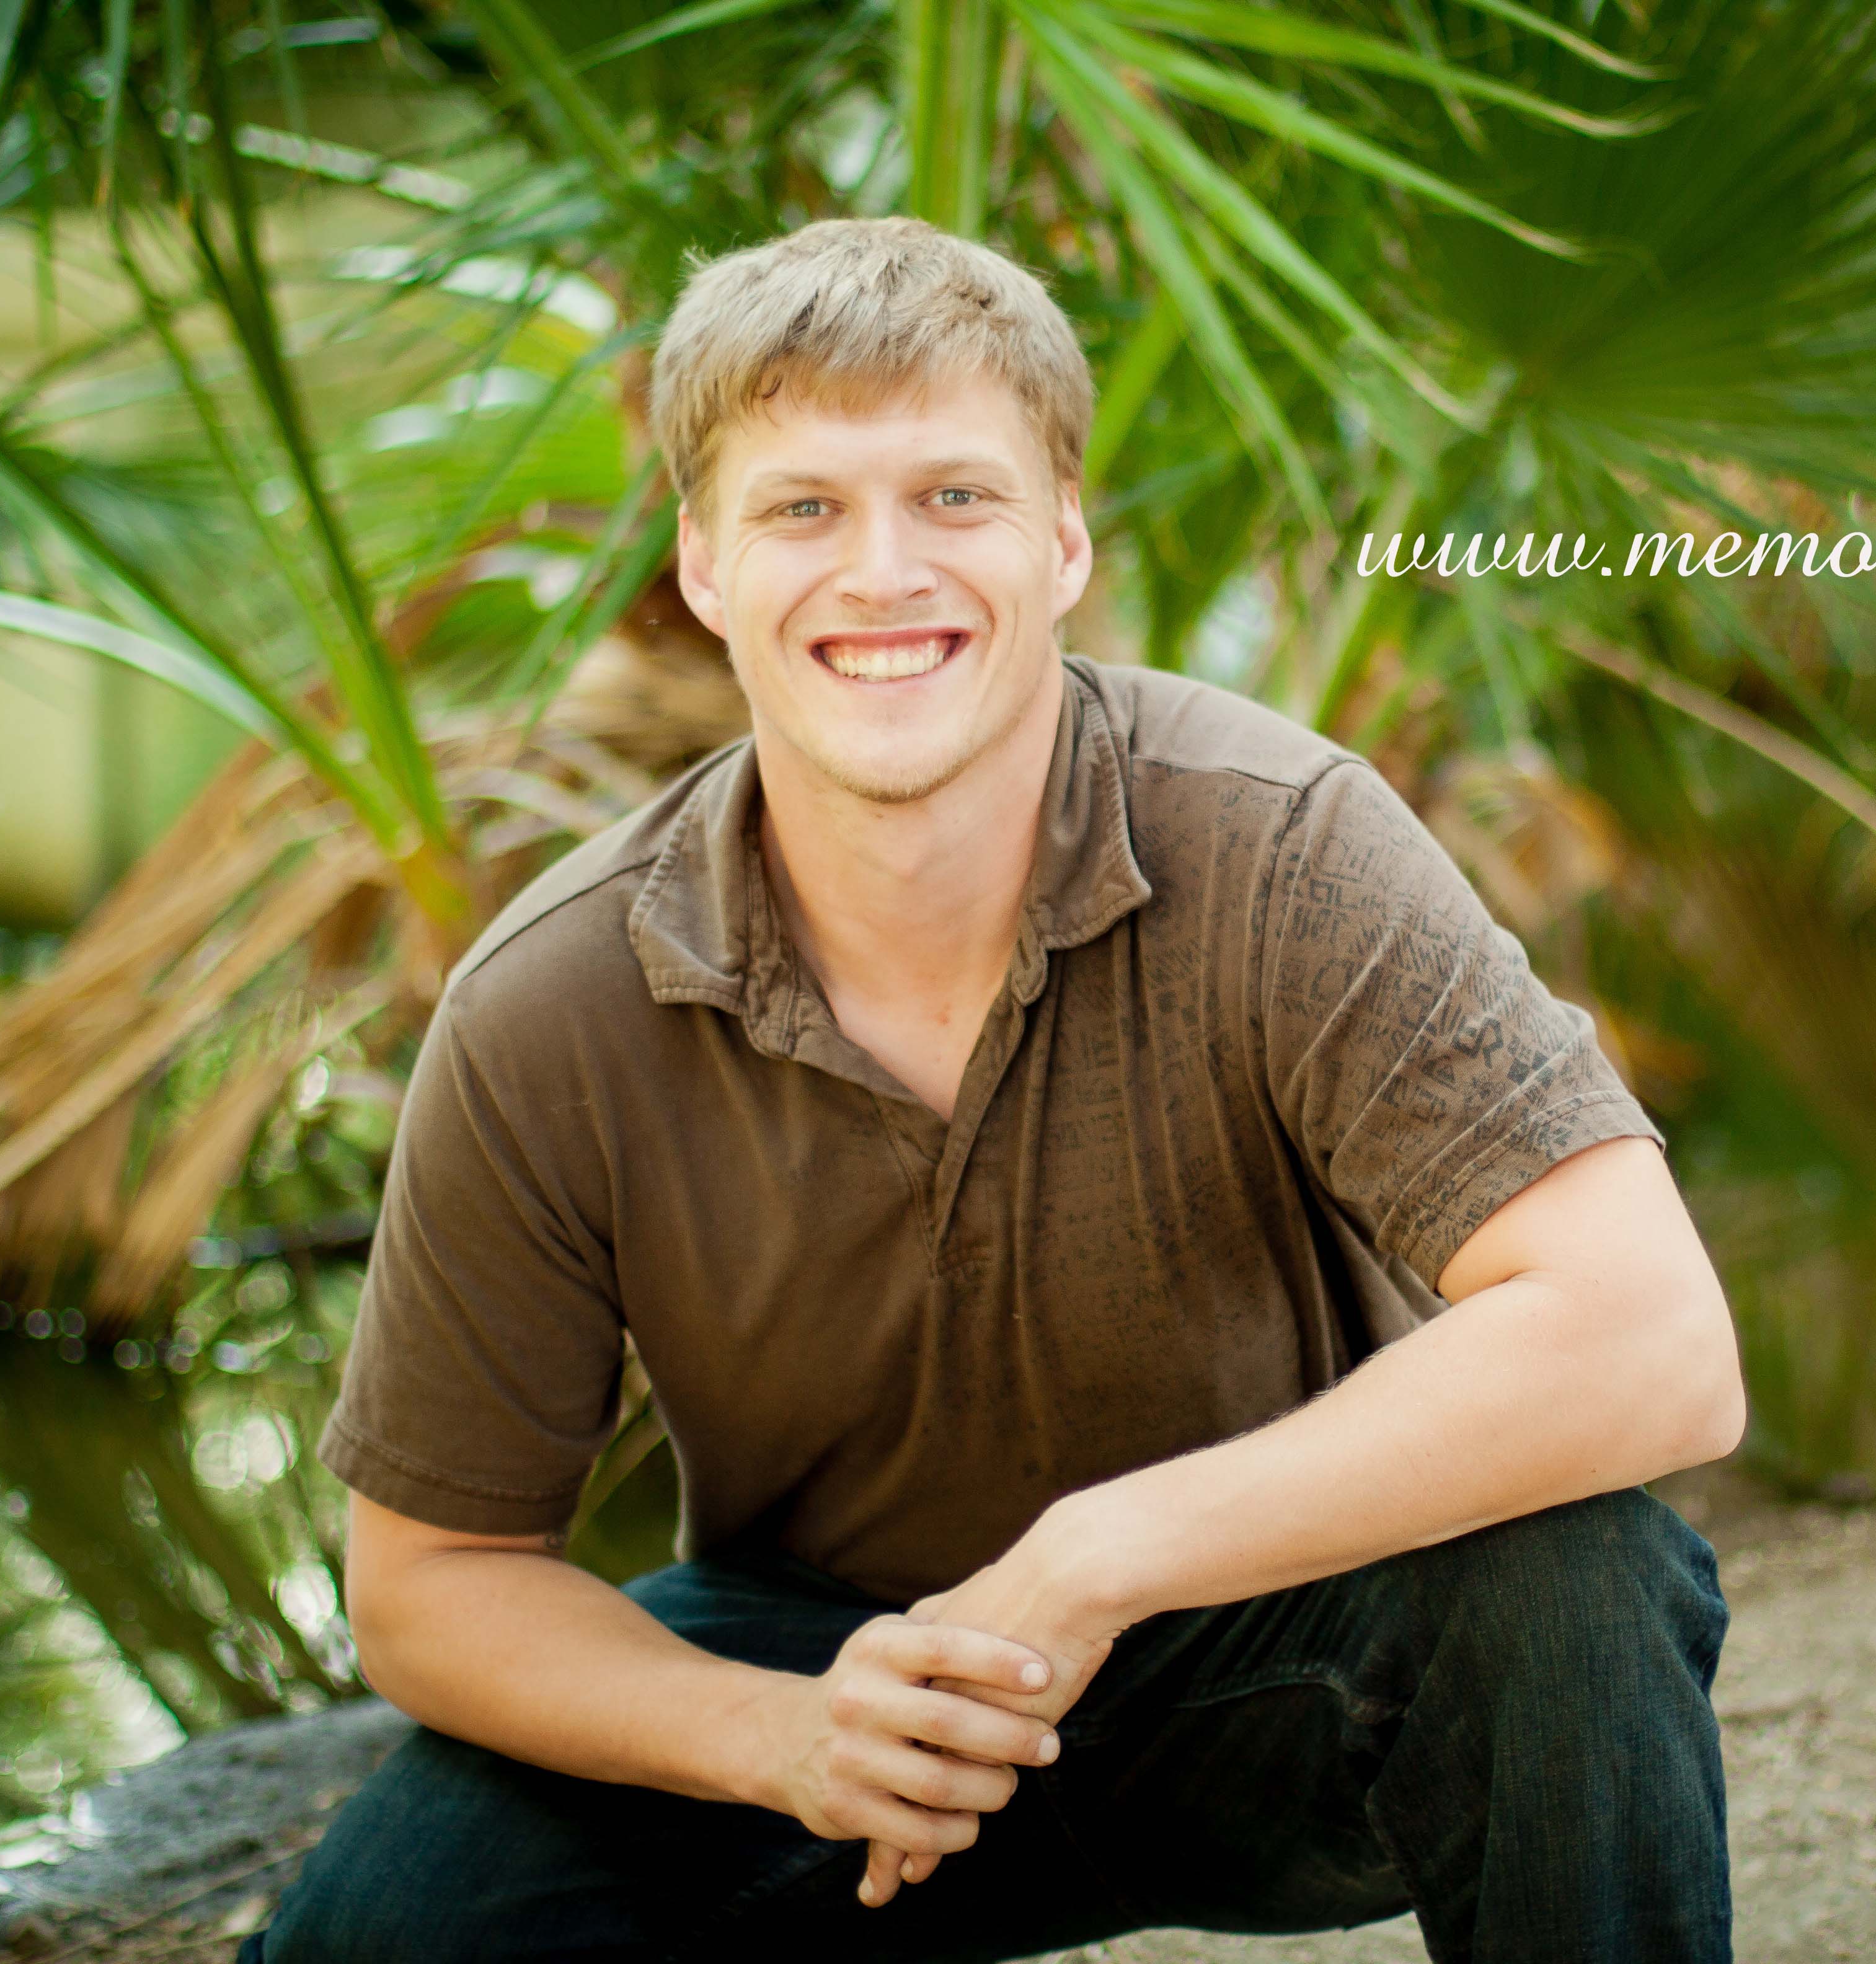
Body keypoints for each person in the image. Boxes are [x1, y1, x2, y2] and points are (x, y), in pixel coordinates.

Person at [247, 215, 1745, 1964]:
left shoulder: (1286, 846)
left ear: (1064, 539)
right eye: (804, 508)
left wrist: (1099, 1558)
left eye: (955, 496)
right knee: (381, 1930)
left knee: (1579, 1582)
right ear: (704, 564)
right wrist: (778, 1737)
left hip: (1264, 1642)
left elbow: (1655, 1339)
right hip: (831, 1673)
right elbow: (427, 1585)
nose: (882, 571)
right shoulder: (549, 1001)